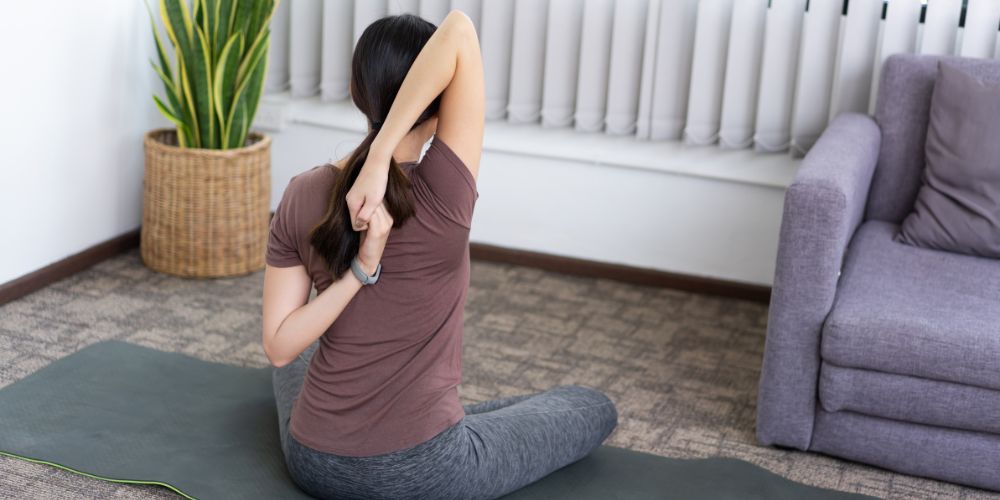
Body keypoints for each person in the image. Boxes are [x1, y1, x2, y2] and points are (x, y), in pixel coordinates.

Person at [262, 11, 617, 500]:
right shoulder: (444, 192)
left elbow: (278, 347)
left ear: (354, 90)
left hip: (314, 461)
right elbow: (460, 31)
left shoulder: (302, 192)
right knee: (589, 405)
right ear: (441, 100)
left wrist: (357, 272)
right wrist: (382, 156)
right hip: (424, 471)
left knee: (297, 356)